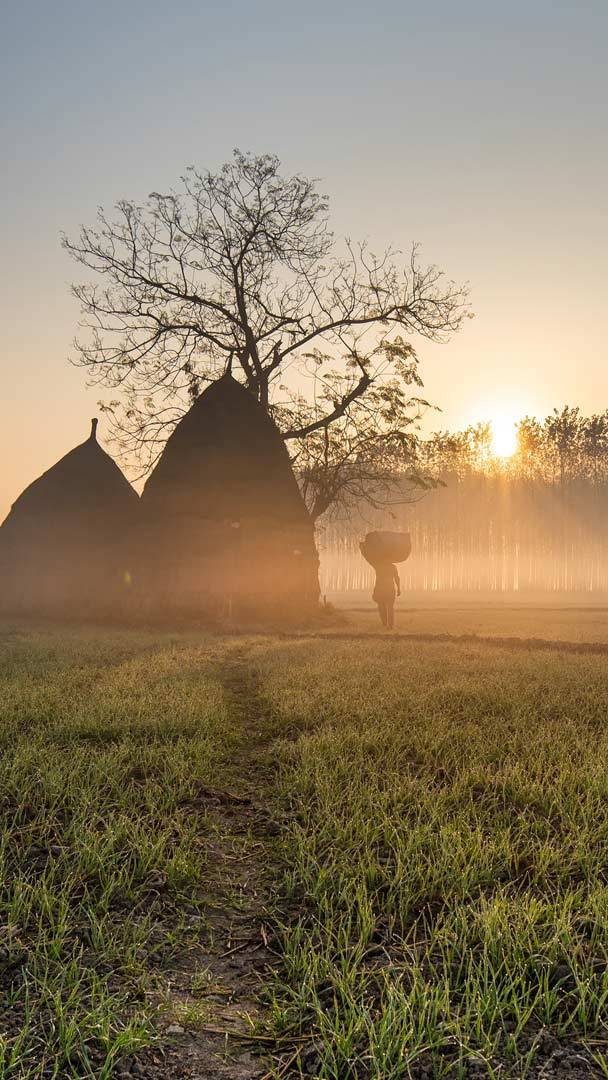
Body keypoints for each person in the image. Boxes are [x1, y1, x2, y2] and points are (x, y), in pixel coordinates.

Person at [372, 561, 400, 629]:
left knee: (381, 606)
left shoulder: (378, 566)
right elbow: (397, 578)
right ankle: (390, 625)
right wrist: (399, 588)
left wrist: (375, 590)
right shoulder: (393, 567)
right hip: (390, 588)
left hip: (381, 589)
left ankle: (385, 623)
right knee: (390, 607)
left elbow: (377, 579)